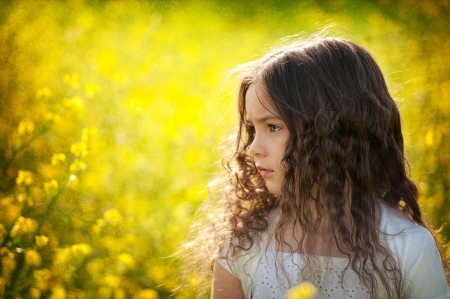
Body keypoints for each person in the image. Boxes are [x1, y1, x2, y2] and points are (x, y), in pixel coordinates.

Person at [201, 36, 450, 299]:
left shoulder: (408, 247)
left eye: (273, 127)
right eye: (252, 129)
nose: (252, 148)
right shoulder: (244, 245)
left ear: (337, 132)